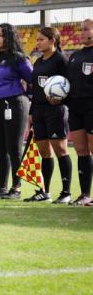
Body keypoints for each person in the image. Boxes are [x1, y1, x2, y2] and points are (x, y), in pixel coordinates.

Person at [0, 23, 33, 200]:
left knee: (14, 148)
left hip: (15, 105)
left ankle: (16, 188)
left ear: (9, 38)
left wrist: (30, 104)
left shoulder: (18, 58)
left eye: (1, 35)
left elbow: (32, 81)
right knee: (0, 149)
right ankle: (2, 188)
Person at [24, 27, 72, 203]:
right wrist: (31, 112)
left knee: (60, 149)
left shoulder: (60, 60)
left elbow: (68, 85)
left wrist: (60, 100)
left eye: (41, 40)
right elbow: (35, 90)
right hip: (38, 111)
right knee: (44, 152)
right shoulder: (37, 62)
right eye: (37, 40)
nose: (38, 43)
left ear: (52, 41)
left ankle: (66, 192)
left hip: (55, 111)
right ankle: (45, 191)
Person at [66, 18, 93, 205]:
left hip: (92, 106)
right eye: (81, 30)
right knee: (81, 151)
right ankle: (85, 195)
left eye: (86, 29)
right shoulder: (75, 56)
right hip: (74, 108)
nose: (82, 33)